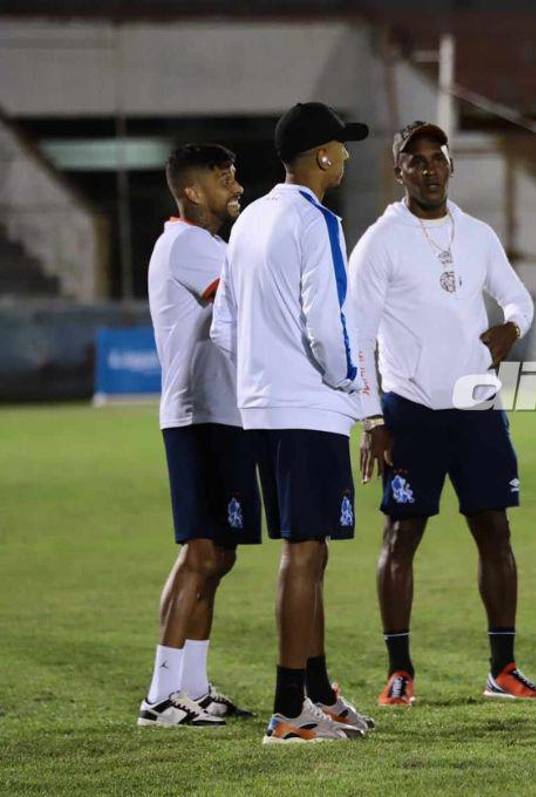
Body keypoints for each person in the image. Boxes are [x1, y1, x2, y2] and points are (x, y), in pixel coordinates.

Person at [352, 121, 536, 706]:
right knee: (402, 534)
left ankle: (503, 669)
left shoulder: (478, 235)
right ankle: (399, 671)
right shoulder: (381, 241)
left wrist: (510, 329)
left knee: (495, 531)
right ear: (400, 171)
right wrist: (373, 419)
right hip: (409, 409)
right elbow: (356, 336)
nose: (430, 169)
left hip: (476, 407)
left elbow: (520, 298)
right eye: (417, 161)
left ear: (450, 166)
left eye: (438, 159)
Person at [212, 102, 374, 744]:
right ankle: (288, 708)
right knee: (304, 551)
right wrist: (349, 385)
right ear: (323, 155)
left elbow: (225, 326)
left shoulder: (250, 218)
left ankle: (317, 690)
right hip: (308, 408)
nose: (349, 157)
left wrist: (263, 376)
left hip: (262, 406)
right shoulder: (318, 221)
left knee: (312, 549)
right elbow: (328, 323)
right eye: (343, 146)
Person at [139, 143, 255, 727]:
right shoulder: (185, 243)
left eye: (233, 173)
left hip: (224, 412)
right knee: (201, 552)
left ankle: (195, 686)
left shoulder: (211, 245)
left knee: (220, 555)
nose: (235, 183)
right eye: (222, 176)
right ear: (191, 191)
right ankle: (160, 696)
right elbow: (243, 310)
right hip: (197, 414)